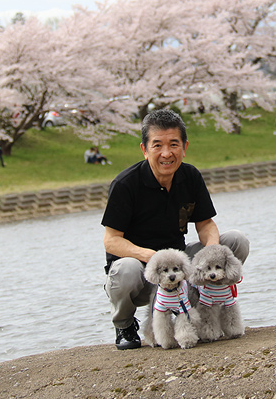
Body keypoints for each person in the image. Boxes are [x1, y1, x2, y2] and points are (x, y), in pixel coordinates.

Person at [102, 107, 249, 350]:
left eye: (173, 144)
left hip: (181, 269)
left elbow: (205, 223)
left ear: (185, 146)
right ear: (144, 149)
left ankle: (208, 305)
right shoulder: (125, 184)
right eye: (157, 145)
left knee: (235, 241)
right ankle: (125, 324)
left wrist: (210, 254)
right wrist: (153, 258)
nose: (166, 153)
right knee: (125, 269)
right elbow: (111, 240)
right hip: (142, 274)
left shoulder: (190, 176)